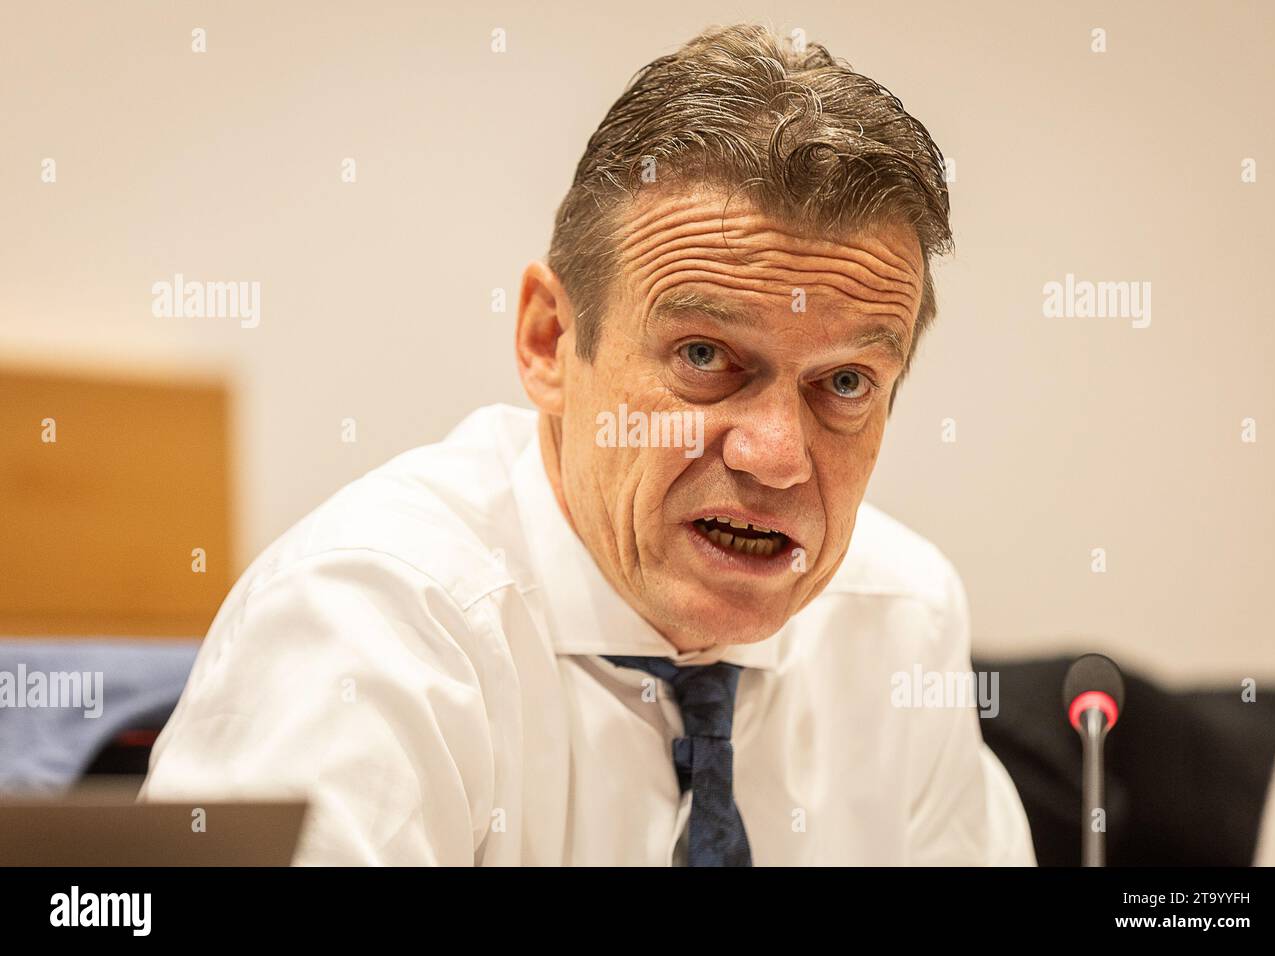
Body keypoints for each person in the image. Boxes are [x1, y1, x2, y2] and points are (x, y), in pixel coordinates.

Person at [140, 22, 1036, 866]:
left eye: (844, 384)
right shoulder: (369, 625)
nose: (776, 456)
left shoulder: (902, 620)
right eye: (705, 356)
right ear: (549, 343)